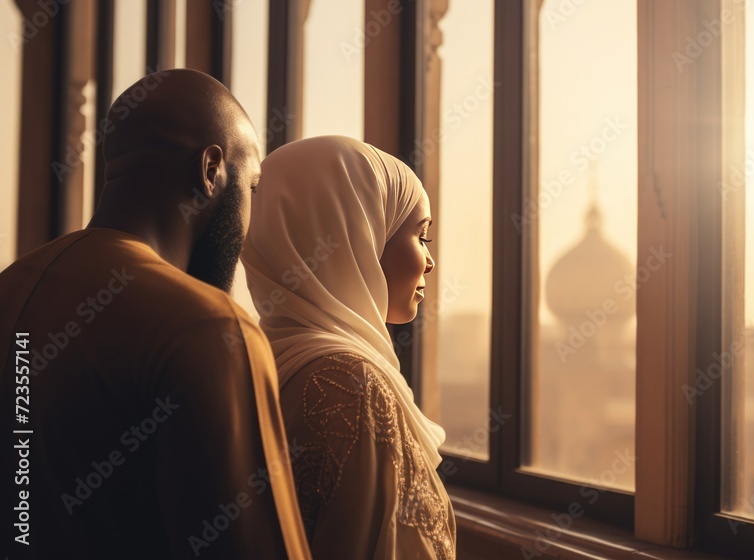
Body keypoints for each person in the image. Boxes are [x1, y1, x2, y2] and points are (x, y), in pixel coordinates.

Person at [0, 69, 310, 559]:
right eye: (252, 187)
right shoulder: (209, 329)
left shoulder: (12, 285)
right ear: (211, 170)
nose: (252, 219)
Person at [241, 136, 456, 559]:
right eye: (422, 236)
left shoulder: (256, 358)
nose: (430, 261)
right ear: (359, 234)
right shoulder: (351, 384)